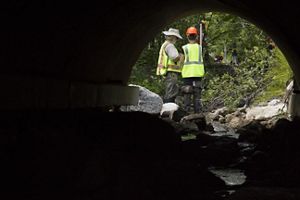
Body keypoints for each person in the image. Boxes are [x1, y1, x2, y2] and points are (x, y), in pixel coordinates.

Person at [181, 27, 205, 113]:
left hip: (187, 75)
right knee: (197, 95)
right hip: (198, 74)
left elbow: (181, 61)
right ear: (197, 36)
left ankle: (186, 113)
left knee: (187, 95)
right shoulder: (200, 48)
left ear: (187, 36)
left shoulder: (184, 48)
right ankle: (197, 114)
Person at [156, 28, 184, 103]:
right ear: (173, 37)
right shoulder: (170, 46)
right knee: (171, 92)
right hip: (171, 73)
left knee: (169, 91)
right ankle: (168, 110)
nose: (176, 39)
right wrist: (181, 56)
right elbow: (174, 58)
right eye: (176, 38)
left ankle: (168, 109)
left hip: (166, 72)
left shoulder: (165, 44)